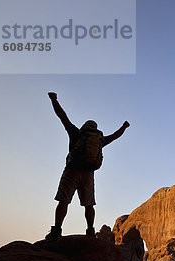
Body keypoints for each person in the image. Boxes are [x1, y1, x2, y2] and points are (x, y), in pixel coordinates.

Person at [45, 92, 129, 240]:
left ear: (84, 126)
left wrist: (54, 100)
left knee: (64, 200)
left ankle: (57, 230)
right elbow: (116, 136)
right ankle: (90, 231)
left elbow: (62, 116)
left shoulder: (76, 133)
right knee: (89, 204)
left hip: (72, 170)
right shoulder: (100, 140)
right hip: (88, 174)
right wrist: (124, 126)